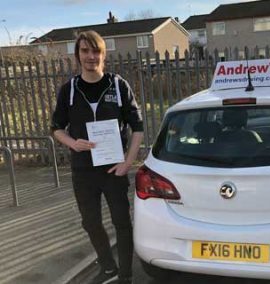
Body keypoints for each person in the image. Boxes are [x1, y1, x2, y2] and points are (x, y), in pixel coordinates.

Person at [51, 30, 143, 284]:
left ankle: (125, 275)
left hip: (114, 169)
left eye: (96, 51)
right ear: (78, 55)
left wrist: (128, 162)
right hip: (83, 171)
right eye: (85, 51)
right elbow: (56, 127)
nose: (91, 56)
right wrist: (72, 143)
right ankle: (108, 267)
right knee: (90, 223)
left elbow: (138, 127)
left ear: (103, 55)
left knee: (121, 223)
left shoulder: (117, 85)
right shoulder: (68, 90)